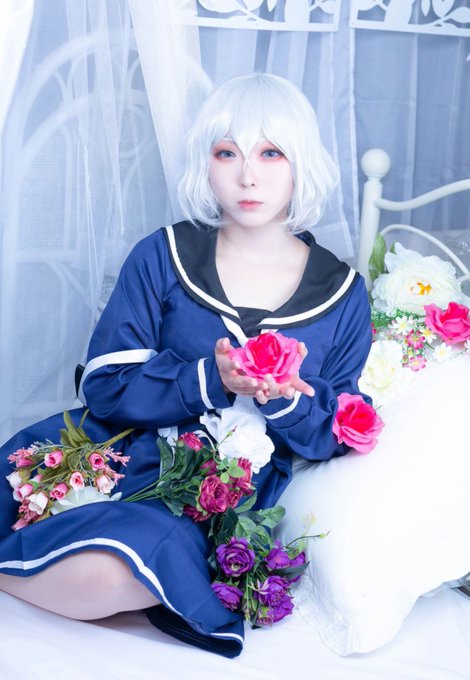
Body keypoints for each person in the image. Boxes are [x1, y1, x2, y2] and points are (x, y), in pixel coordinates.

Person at [0, 73, 371, 657]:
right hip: (115, 452)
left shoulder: (342, 292)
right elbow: (104, 384)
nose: (248, 176)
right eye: (227, 153)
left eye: (271, 153)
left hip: (215, 499)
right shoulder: (163, 254)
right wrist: (209, 379)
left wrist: (286, 400)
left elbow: (344, 428)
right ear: (206, 163)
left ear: (303, 162)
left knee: (117, 574)